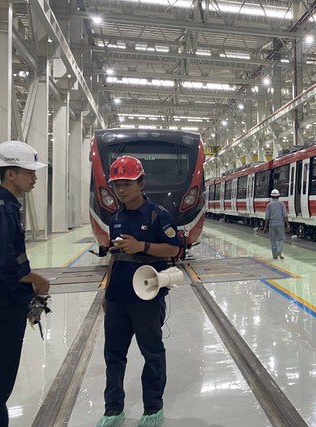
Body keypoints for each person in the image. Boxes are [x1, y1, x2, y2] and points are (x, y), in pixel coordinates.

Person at [98, 156, 181, 427]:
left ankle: (153, 407)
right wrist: (106, 292)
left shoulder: (158, 215)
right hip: (118, 298)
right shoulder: (116, 218)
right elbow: (113, 257)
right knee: (113, 355)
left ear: (141, 183)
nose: (121, 189)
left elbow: (174, 249)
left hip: (147, 298)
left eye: (127, 183)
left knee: (152, 352)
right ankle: (113, 409)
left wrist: (143, 247)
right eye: (117, 184)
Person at [0, 140, 50, 427]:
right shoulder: (1, 210)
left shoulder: (6, 205)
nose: (34, 177)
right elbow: (3, 264)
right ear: (10, 173)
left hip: (3, 300)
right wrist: (35, 279)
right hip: (1, 303)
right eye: (29, 171)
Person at [263, 188, 289, 259]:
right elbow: (285, 215)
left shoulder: (269, 205)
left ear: (271, 196)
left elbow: (267, 217)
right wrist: (288, 225)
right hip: (280, 224)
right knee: (281, 238)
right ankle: (279, 251)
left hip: (271, 224)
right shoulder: (282, 204)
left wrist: (265, 227)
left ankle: (275, 256)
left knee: (272, 240)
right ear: (278, 196)